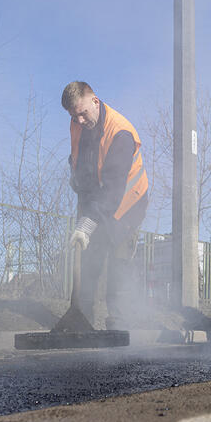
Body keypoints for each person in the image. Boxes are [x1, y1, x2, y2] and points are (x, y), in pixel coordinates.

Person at [61, 81, 148, 330]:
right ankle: (81, 320)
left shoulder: (120, 133)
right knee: (89, 257)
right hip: (100, 198)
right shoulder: (79, 124)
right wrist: (75, 176)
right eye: (73, 115)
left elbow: (113, 190)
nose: (78, 120)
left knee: (117, 259)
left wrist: (87, 224)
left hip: (127, 202)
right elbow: (81, 159)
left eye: (82, 113)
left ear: (95, 102)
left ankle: (117, 324)